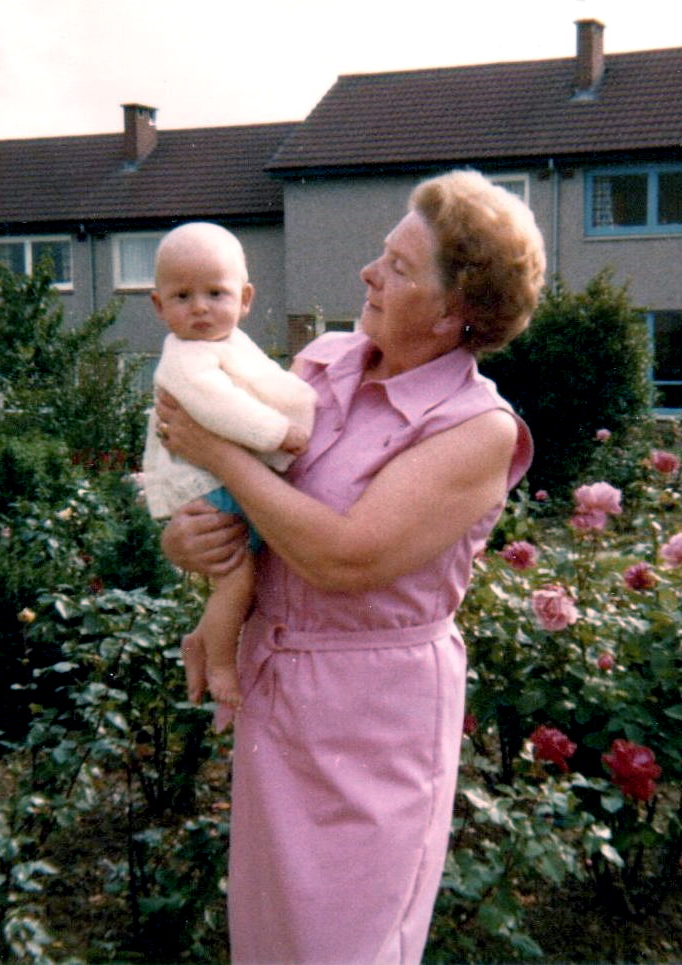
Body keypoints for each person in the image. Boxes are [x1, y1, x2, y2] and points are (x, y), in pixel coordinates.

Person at [156, 170, 546, 963]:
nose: (369, 272)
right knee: (269, 937)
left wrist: (221, 457)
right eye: (382, 252)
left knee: (346, 941)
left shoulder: (478, 429)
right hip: (277, 685)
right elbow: (243, 506)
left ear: (455, 311)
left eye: (400, 268)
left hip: (373, 711)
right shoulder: (323, 363)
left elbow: (344, 554)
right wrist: (186, 542)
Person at [142, 222, 316, 709]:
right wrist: (278, 433)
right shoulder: (186, 358)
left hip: (226, 478)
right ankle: (217, 658)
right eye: (182, 296)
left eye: (214, 293)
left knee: (246, 573)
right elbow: (220, 407)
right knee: (238, 576)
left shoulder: (230, 344)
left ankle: (204, 639)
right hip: (204, 482)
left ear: (244, 299)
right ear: (159, 306)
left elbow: (265, 384)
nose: (199, 307)